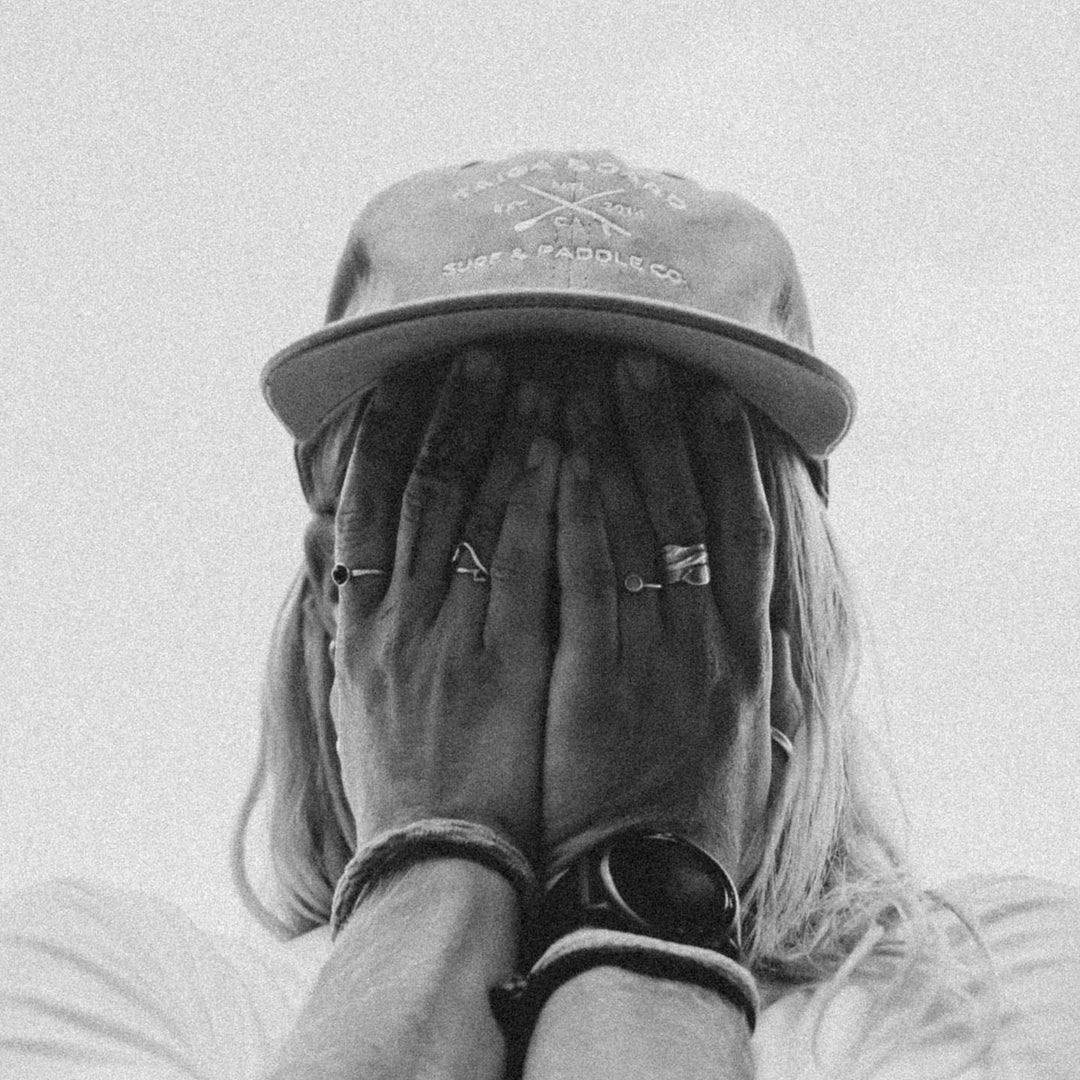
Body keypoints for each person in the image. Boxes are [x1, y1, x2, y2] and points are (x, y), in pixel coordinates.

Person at [2, 151, 1077, 1080]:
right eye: (467, 497)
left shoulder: (1001, 988)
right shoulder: (86, 980)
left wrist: (641, 886)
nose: (546, 575)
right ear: (342, 604)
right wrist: (448, 863)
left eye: (643, 501)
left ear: (775, 610)